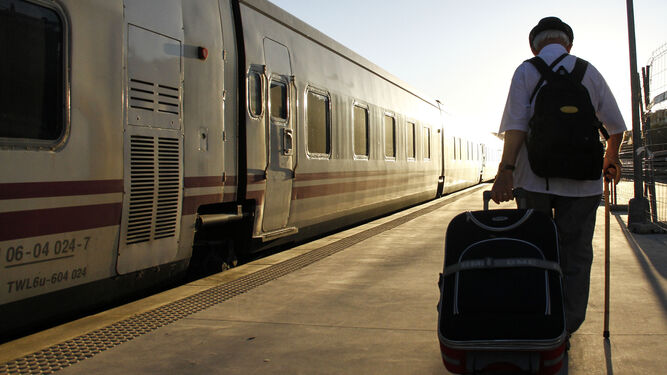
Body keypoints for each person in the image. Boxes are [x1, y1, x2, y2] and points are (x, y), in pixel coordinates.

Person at [490, 16, 626, 335]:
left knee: (533, 251)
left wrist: (505, 171)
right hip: (583, 183)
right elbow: (616, 126)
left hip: (532, 180)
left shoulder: (526, 70)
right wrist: (611, 157)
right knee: (576, 255)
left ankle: (539, 318)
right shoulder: (588, 71)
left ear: (534, 45)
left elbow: (516, 127)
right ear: (569, 44)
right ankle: (567, 325)